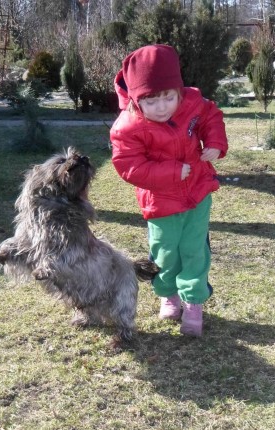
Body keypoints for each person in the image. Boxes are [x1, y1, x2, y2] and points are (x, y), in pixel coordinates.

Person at [109, 44, 228, 337]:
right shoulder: (127, 127)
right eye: (151, 101)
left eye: (168, 97)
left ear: (179, 91)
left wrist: (214, 142)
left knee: (195, 250)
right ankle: (168, 294)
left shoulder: (193, 103)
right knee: (164, 253)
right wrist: (172, 173)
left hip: (198, 193)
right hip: (161, 203)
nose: (162, 107)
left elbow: (211, 116)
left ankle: (193, 301)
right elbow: (129, 166)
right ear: (137, 100)